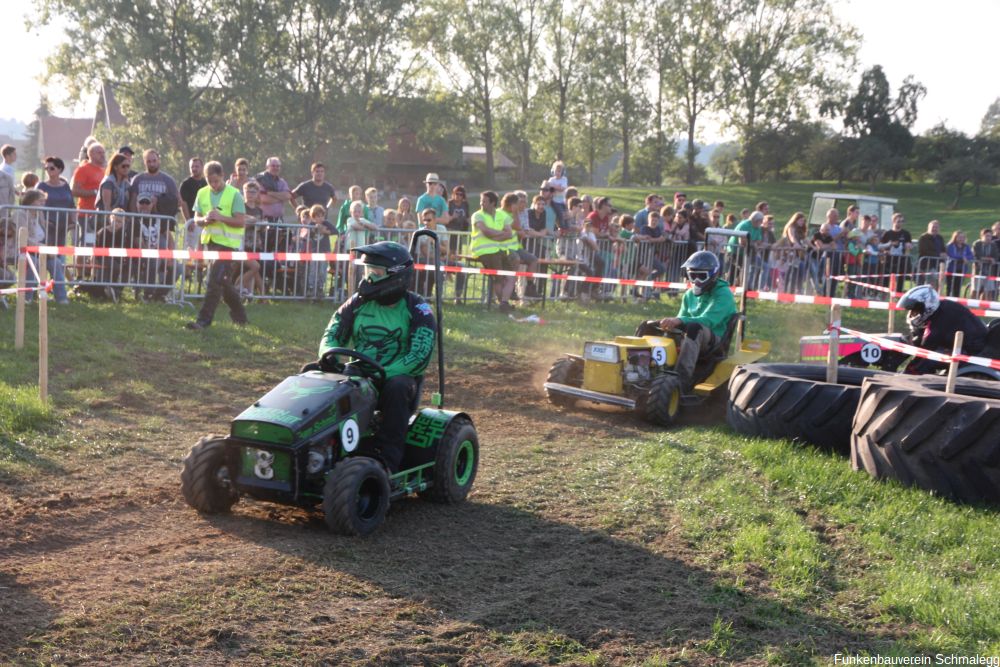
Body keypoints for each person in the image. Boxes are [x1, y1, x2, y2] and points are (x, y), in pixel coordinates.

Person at [315, 241, 436, 472]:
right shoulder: (358, 303)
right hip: (358, 374)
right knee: (312, 371)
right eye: (367, 271)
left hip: (396, 381)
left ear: (395, 276)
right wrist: (328, 355)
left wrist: (381, 374)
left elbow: (419, 356)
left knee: (398, 387)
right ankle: (316, 448)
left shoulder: (418, 310)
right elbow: (332, 333)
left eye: (375, 273)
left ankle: (387, 460)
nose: (368, 279)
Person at [635, 250, 737, 393]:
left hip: (714, 338)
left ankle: (681, 379)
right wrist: (668, 323)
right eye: (692, 275)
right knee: (647, 325)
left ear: (713, 274)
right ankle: (639, 370)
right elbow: (682, 318)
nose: (696, 281)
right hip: (692, 333)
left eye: (701, 276)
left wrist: (679, 321)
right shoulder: (689, 295)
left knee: (695, 328)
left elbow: (708, 321)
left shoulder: (723, 294)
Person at [186, 161, 249, 330]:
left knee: (213, 282)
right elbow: (196, 218)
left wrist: (221, 217)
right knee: (224, 283)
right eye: (209, 181)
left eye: (216, 180)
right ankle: (240, 316)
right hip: (211, 244)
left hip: (229, 245)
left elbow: (240, 221)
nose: (213, 185)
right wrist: (205, 220)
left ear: (222, 176)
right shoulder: (202, 193)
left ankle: (203, 321)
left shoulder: (234, 194)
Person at [898, 284, 988, 374]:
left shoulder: (943, 316)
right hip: (965, 345)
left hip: (972, 352)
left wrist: (908, 371)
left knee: (927, 361)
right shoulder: (941, 309)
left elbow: (927, 347)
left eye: (916, 310)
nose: (913, 314)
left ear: (927, 305)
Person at [37, 156, 75, 304]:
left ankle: (55, 288)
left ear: (59, 169)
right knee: (49, 261)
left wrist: (74, 222)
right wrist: (43, 221)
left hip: (62, 229)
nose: (48, 171)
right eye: (46, 168)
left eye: (51, 168)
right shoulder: (41, 186)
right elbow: (34, 205)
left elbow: (71, 205)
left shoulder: (65, 185)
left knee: (60, 260)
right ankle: (53, 293)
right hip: (46, 229)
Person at [470, 190, 516, 312]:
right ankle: (503, 304)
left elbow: (509, 234)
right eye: (481, 201)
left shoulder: (503, 216)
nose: (481, 203)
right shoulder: (477, 215)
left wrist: (494, 235)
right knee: (499, 278)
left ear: (492, 203)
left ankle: (504, 303)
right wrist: (500, 234)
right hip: (484, 252)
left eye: (484, 201)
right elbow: (486, 232)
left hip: (500, 251)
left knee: (511, 277)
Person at [71, 142, 107, 242]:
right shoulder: (83, 169)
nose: (103, 155)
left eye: (103, 152)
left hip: (99, 215)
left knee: (98, 243)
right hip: (86, 214)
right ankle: (81, 258)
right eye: (99, 152)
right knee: (87, 244)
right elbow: (75, 191)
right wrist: (95, 192)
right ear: (91, 154)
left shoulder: (103, 170)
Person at [945, 230, 974, 297]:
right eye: (959, 237)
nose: (961, 239)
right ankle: (948, 301)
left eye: (963, 237)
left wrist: (966, 258)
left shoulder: (966, 246)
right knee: (950, 287)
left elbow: (971, 256)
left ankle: (956, 302)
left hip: (961, 269)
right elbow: (952, 255)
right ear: (955, 237)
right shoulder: (950, 245)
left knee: (957, 287)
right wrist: (962, 258)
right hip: (951, 269)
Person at [179, 157, 207, 222]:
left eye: (197, 166)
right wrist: (189, 221)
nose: (194, 169)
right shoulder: (185, 184)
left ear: (202, 167)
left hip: (205, 220)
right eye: (192, 167)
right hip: (192, 221)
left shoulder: (206, 183)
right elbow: (183, 204)